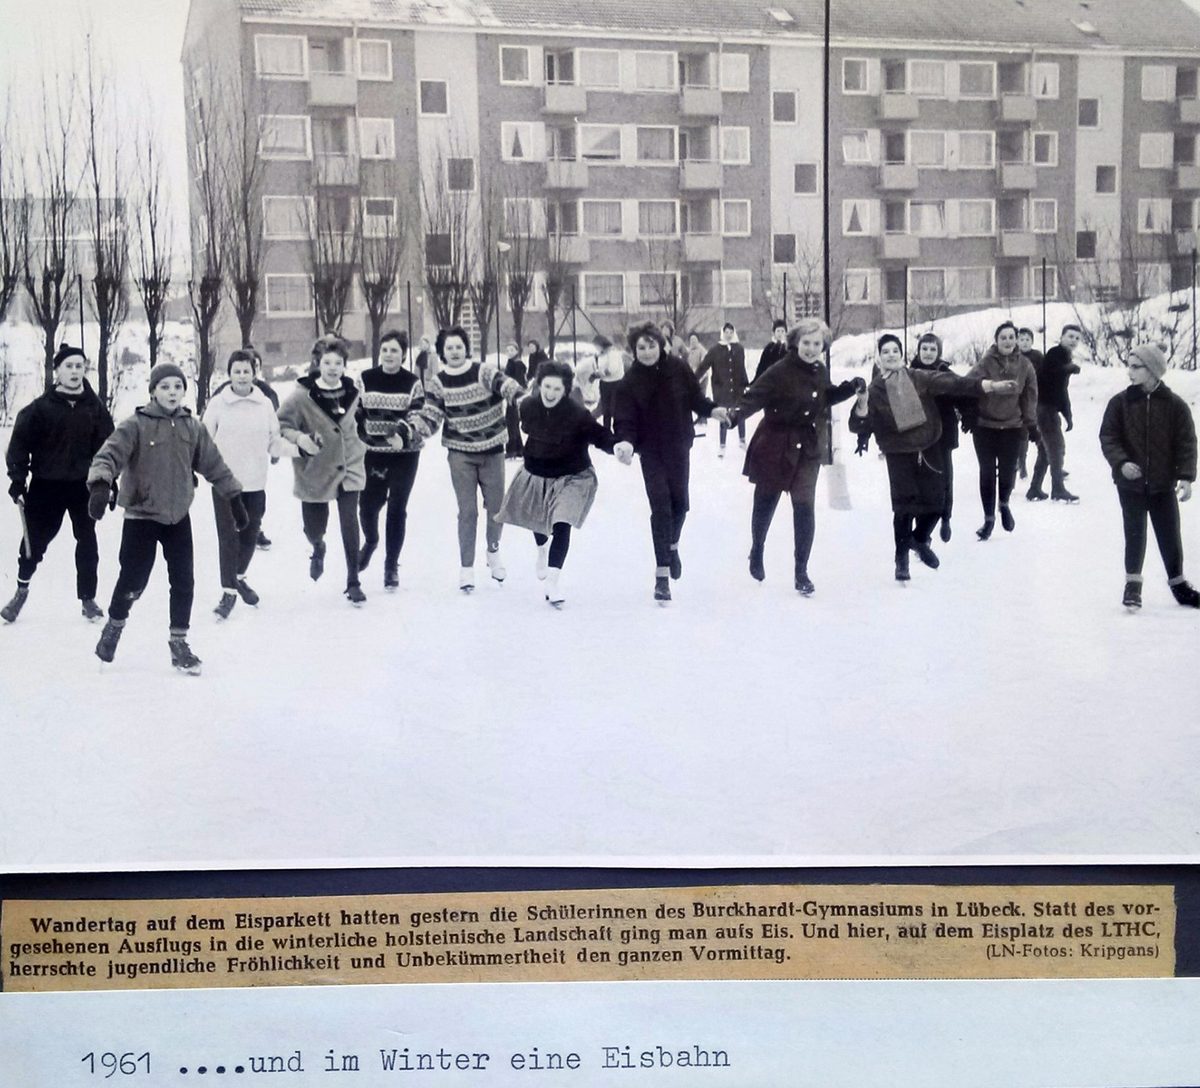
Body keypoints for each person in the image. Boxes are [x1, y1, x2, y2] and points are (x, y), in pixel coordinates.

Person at [88, 362, 246, 674]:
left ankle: (179, 643)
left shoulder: (192, 427)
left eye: (177, 387)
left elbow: (214, 465)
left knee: (184, 581)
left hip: (178, 517)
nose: (172, 392)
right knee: (133, 580)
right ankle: (115, 625)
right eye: (165, 387)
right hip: (141, 516)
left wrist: (234, 497)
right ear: (153, 391)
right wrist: (99, 485)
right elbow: (108, 456)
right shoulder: (135, 424)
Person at [850, 334, 1014, 581]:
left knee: (937, 503)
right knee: (904, 507)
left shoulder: (918, 377)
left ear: (902, 355)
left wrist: (989, 386)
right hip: (898, 453)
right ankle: (901, 561)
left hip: (928, 447)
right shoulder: (875, 390)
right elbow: (859, 424)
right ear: (879, 357)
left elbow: (953, 383)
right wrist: (862, 405)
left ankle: (918, 539)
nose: (891, 355)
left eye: (896, 351)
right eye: (886, 352)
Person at [726, 318, 860, 595]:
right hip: (775, 442)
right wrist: (734, 415)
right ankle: (757, 548)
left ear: (823, 346)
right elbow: (754, 397)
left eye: (817, 344)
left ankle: (801, 572)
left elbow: (825, 396)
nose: (811, 349)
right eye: (806, 343)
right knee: (766, 502)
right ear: (795, 343)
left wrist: (849, 388)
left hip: (807, 448)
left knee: (804, 507)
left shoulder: (820, 370)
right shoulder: (779, 371)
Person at [612, 321, 727, 602]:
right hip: (651, 452)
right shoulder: (629, 383)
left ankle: (672, 546)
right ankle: (662, 574)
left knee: (680, 505)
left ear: (661, 344)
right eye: (641, 347)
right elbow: (624, 420)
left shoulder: (678, 369)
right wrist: (625, 442)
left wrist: (713, 411)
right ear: (634, 350)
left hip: (679, 445)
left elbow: (696, 399)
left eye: (652, 345)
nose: (648, 351)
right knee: (661, 507)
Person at [2, 344, 114, 624]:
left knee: (87, 541)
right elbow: (19, 446)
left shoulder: (95, 408)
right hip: (46, 486)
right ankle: (20, 590)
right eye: (69, 366)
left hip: (82, 487)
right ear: (57, 371)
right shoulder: (40, 409)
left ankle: (88, 599)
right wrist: (18, 479)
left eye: (79, 366)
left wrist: (109, 482)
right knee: (33, 543)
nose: (75, 371)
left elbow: (110, 448)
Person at [494, 360, 619, 606]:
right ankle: (541, 550)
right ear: (538, 386)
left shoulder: (577, 414)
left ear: (565, 391)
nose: (550, 394)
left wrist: (617, 446)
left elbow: (599, 435)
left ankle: (553, 581)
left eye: (556, 389)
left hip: (573, 476)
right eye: (546, 387)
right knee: (537, 521)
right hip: (537, 473)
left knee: (562, 523)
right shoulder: (528, 406)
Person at [424, 326, 524, 591]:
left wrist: (521, 397)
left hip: (492, 450)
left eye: (459, 346)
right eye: (449, 348)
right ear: (442, 352)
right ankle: (466, 568)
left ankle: (493, 552)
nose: (454, 352)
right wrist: (414, 430)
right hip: (460, 453)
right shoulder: (438, 382)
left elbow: (506, 384)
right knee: (467, 512)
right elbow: (431, 416)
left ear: (466, 348)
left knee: (496, 509)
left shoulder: (483, 371)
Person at [1099, 342, 1198, 610]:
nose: (1129, 372)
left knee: (1169, 533)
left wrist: (1186, 477)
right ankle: (1133, 585)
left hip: (1163, 483)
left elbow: (1186, 443)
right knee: (1135, 532)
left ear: (1153, 371)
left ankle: (1178, 584)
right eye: (1128, 366)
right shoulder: (1119, 403)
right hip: (1129, 484)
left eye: (1135, 367)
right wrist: (1121, 463)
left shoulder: (1175, 405)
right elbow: (1109, 437)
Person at [277, 335, 369, 604]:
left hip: (350, 465)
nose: (332, 368)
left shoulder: (354, 393)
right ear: (317, 363)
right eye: (327, 362)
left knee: (350, 521)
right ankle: (318, 546)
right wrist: (300, 439)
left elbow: (361, 423)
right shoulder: (300, 396)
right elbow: (282, 425)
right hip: (315, 469)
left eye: (338, 363)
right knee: (314, 527)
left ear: (344, 365)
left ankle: (353, 581)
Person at [202, 349, 290, 618]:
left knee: (250, 537)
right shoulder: (218, 404)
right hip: (225, 484)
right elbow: (204, 440)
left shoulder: (264, 404)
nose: (242, 376)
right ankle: (228, 593)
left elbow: (274, 439)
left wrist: (296, 449)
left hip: (255, 482)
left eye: (246, 371)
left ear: (254, 373)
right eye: (236, 371)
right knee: (228, 539)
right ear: (229, 374)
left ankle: (237, 577)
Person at [356, 329, 442, 590]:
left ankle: (391, 566)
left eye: (394, 351)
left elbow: (418, 415)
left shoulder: (412, 382)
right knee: (367, 508)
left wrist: (403, 434)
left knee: (396, 509)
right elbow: (355, 413)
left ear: (403, 355)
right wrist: (357, 436)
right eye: (385, 350)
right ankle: (371, 542)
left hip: (404, 456)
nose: (389, 355)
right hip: (372, 454)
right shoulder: (365, 378)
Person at [966, 321, 1038, 540]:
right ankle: (988, 519)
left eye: (1011, 337)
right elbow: (968, 384)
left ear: (1016, 340)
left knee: (1008, 470)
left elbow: (1030, 395)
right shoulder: (986, 362)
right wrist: (969, 414)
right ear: (996, 341)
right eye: (1003, 337)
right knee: (987, 472)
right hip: (985, 427)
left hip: (1012, 426)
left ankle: (1004, 504)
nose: (1007, 341)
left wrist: (1031, 423)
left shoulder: (1025, 365)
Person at [909, 332, 963, 542]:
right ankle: (922, 531)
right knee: (920, 483)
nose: (928, 353)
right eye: (925, 349)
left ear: (938, 352)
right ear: (918, 351)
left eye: (933, 349)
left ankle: (945, 517)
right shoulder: (909, 373)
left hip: (943, 434)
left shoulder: (945, 373)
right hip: (917, 436)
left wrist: (967, 414)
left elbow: (963, 393)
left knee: (944, 479)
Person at [1028, 324, 1082, 503]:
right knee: (1057, 448)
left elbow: (1062, 390)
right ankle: (1058, 488)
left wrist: (1068, 415)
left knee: (1046, 449)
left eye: (1076, 338)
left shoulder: (1064, 357)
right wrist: (1069, 368)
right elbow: (1052, 373)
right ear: (1062, 337)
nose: (1073, 340)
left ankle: (1034, 488)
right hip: (1044, 407)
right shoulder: (1054, 353)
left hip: (1049, 407)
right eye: (1070, 336)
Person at [696, 321, 749, 456]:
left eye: (731, 332)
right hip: (722, 388)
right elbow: (704, 366)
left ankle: (742, 440)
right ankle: (722, 445)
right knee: (723, 414)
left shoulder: (739, 349)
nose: (729, 335)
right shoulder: (715, 350)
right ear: (722, 333)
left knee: (740, 413)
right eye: (726, 332)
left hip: (737, 388)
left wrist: (746, 384)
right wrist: (693, 379)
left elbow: (742, 368)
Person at [1015, 328, 1043, 480]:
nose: (1024, 343)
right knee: (1023, 433)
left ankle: (1049, 461)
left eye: (1027, 339)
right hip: (1019, 402)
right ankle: (1022, 463)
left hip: (1036, 400)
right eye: (1021, 339)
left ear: (1032, 341)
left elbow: (1045, 375)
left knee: (1041, 432)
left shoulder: (1037, 356)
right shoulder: (1014, 357)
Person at [502, 341, 527, 457]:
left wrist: (514, 395)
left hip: (514, 397)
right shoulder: (511, 363)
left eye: (512, 350)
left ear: (517, 351)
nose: (509, 352)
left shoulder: (517, 364)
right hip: (510, 396)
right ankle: (517, 448)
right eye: (508, 350)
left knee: (512, 422)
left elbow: (518, 382)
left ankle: (513, 449)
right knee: (512, 423)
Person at [686, 333, 709, 437]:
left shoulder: (702, 350)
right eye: (691, 341)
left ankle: (703, 419)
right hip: (692, 377)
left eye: (694, 340)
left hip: (702, 377)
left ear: (697, 341)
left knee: (701, 397)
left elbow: (704, 365)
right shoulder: (689, 351)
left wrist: (700, 377)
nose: (693, 342)